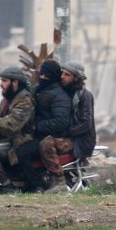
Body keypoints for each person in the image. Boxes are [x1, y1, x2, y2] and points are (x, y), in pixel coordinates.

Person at [38, 61, 96, 193]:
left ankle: (59, 181)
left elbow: (86, 123)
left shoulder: (84, 95)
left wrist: (67, 132)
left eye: (67, 74)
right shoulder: (63, 92)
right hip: (68, 135)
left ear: (76, 78)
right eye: (62, 73)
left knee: (46, 144)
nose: (62, 76)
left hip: (80, 140)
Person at [15, 60, 72, 192]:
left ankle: (35, 186)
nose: (43, 78)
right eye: (41, 75)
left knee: (22, 153)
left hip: (47, 137)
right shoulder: (39, 90)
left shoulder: (60, 96)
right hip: (36, 135)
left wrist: (37, 126)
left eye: (46, 76)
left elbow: (60, 122)